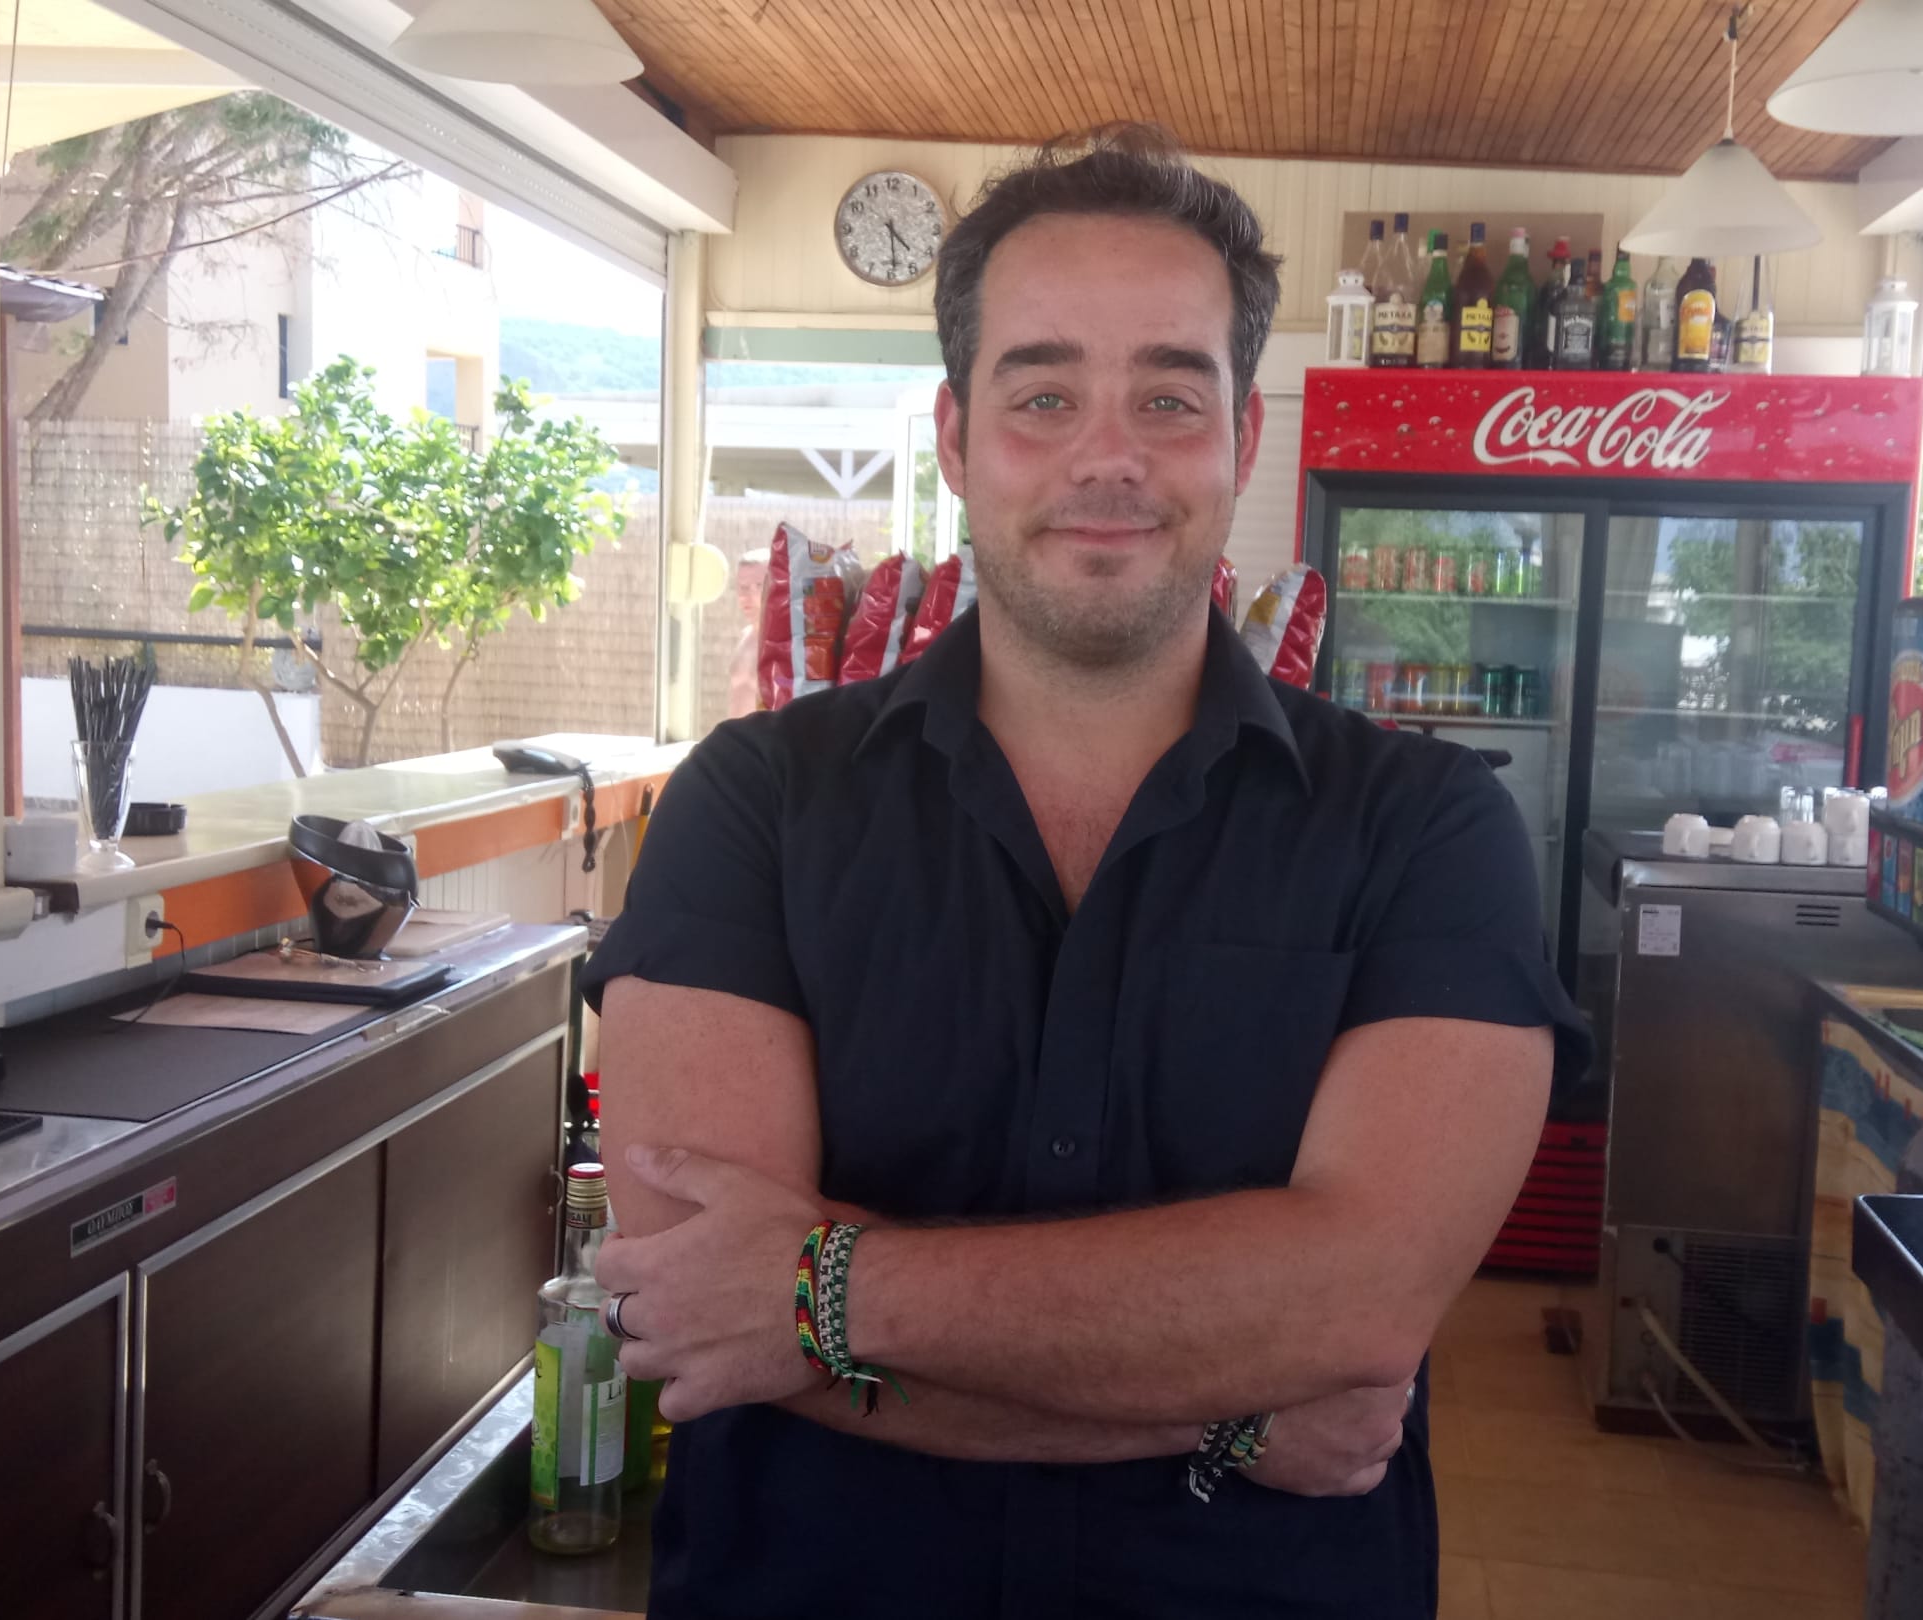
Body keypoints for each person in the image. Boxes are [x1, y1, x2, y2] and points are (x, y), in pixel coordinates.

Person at [582, 124, 1586, 1619]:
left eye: (1169, 397)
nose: (1108, 456)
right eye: (1043, 393)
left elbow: (1363, 1298)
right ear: (956, 438)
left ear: (1244, 438)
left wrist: (821, 1296)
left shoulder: (1428, 827)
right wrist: (1233, 1405)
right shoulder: (754, 801)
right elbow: (696, 1299)